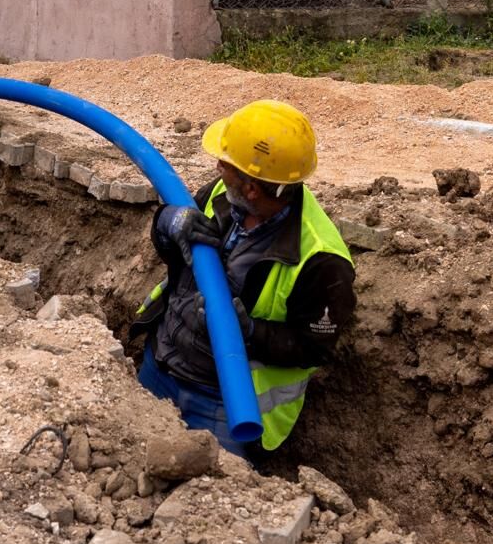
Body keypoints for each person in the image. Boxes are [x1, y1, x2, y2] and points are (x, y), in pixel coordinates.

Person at [131, 100, 355, 460]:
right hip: (160, 365)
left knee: (213, 490)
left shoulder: (321, 260)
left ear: (251, 188)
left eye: (226, 164)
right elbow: (176, 257)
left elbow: (315, 348)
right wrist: (166, 222)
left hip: (225, 405)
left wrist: (248, 331)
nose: (218, 167)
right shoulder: (222, 194)